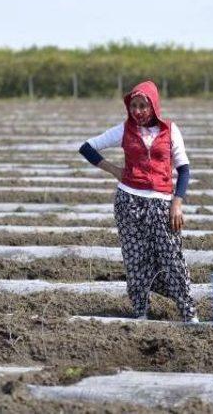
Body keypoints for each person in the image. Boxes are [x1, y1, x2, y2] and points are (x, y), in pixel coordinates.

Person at [78, 80, 197, 323]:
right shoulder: (124, 130)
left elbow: (183, 169)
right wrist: (114, 170)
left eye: (143, 105)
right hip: (129, 202)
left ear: (154, 106)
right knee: (135, 259)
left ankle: (188, 313)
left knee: (172, 257)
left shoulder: (170, 130)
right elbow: (87, 147)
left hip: (163, 203)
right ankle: (141, 312)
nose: (138, 111)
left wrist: (177, 202)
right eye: (134, 106)